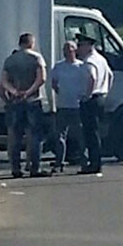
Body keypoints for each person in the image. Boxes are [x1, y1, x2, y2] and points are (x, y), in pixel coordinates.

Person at [0, 33, 50, 178]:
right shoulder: (36, 58)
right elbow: (42, 78)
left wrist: (14, 92)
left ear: (20, 43)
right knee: (34, 136)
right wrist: (29, 92)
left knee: (15, 137)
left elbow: (4, 81)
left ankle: (15, 169)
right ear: (31, 43)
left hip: (15, 102)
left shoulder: (10, 60)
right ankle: (34, 168)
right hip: (32, 101)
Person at [77, 32, 113, 175]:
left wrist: (87, 95)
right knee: (95, 131)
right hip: (101, 97)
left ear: (89, 46)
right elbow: (110, 75)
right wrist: (106, 90)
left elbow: (92, 77)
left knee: (90, 132)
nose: (79, 48)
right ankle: (96, 162)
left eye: (81, 45)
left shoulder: (89, 61)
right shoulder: (101, 59)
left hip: (91, 99)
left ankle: (94, 164)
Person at [49, 40, 88, 173]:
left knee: (80, 136)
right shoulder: (58, 66)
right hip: (63, 106)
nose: (68, 51)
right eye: (65, 49)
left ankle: (84, 161)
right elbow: (54, 83)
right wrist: (60, 93)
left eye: (70, 49)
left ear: (75, 50)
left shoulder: (81, 66)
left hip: (77, 106)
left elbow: (88, 81)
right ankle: (59, 162)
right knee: (60, 136)